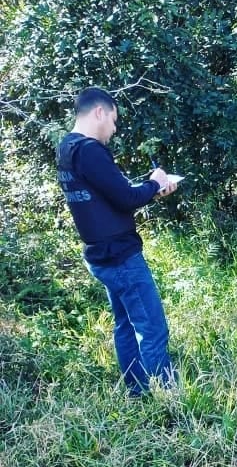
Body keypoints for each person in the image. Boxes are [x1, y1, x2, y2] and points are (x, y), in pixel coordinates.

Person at [57, 86, 178, 395]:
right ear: (99, 112)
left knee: (126, 325)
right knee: (152, 329)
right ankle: (169, 405)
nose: (113, 129)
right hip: (120, 256)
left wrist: (150, 189)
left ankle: (137, 394)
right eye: (113, 120)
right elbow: (125, 197)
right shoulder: (91, 150)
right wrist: (155, 184)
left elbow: (107, 195)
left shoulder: (67, 148)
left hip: (100, 254)